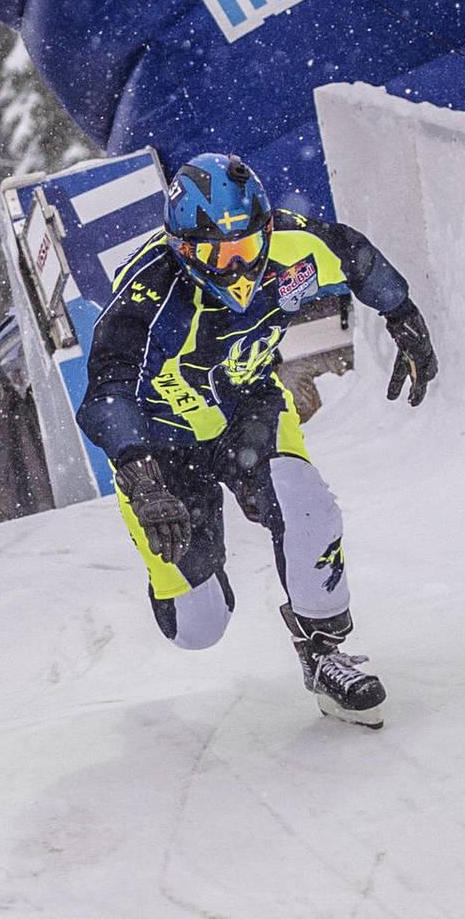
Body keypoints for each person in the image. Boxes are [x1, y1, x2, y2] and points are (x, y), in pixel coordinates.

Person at [77, 153, 436, 726]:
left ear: (267, 230)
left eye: (245, 248)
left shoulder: (294, 247)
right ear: (180, 249)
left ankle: (323, 650)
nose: (237, 269)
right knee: (199, 627)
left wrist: (403, 316)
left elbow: (355, 256)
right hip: (161, 445)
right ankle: (185, 575)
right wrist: (140, 475)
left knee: (309, 508)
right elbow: (104, 393)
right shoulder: (146, 293)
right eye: (215, 256)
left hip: (249, 409)